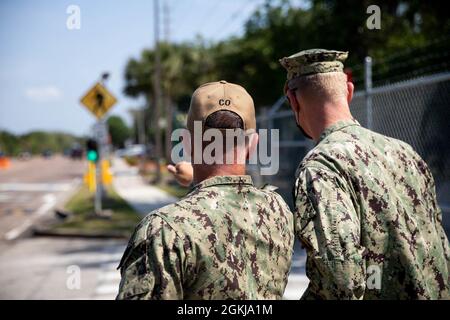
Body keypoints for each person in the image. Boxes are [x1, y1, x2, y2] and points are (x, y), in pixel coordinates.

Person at [279, 48, 450, 299]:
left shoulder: (321, 166)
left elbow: (339, 284)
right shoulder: (405, 152)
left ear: (293, 100)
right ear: (349, 91)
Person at [116, 80, 294, 300]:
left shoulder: (163, 230)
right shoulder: (278, 211)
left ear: (186, 144)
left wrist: (198, 185)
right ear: (253, 145)